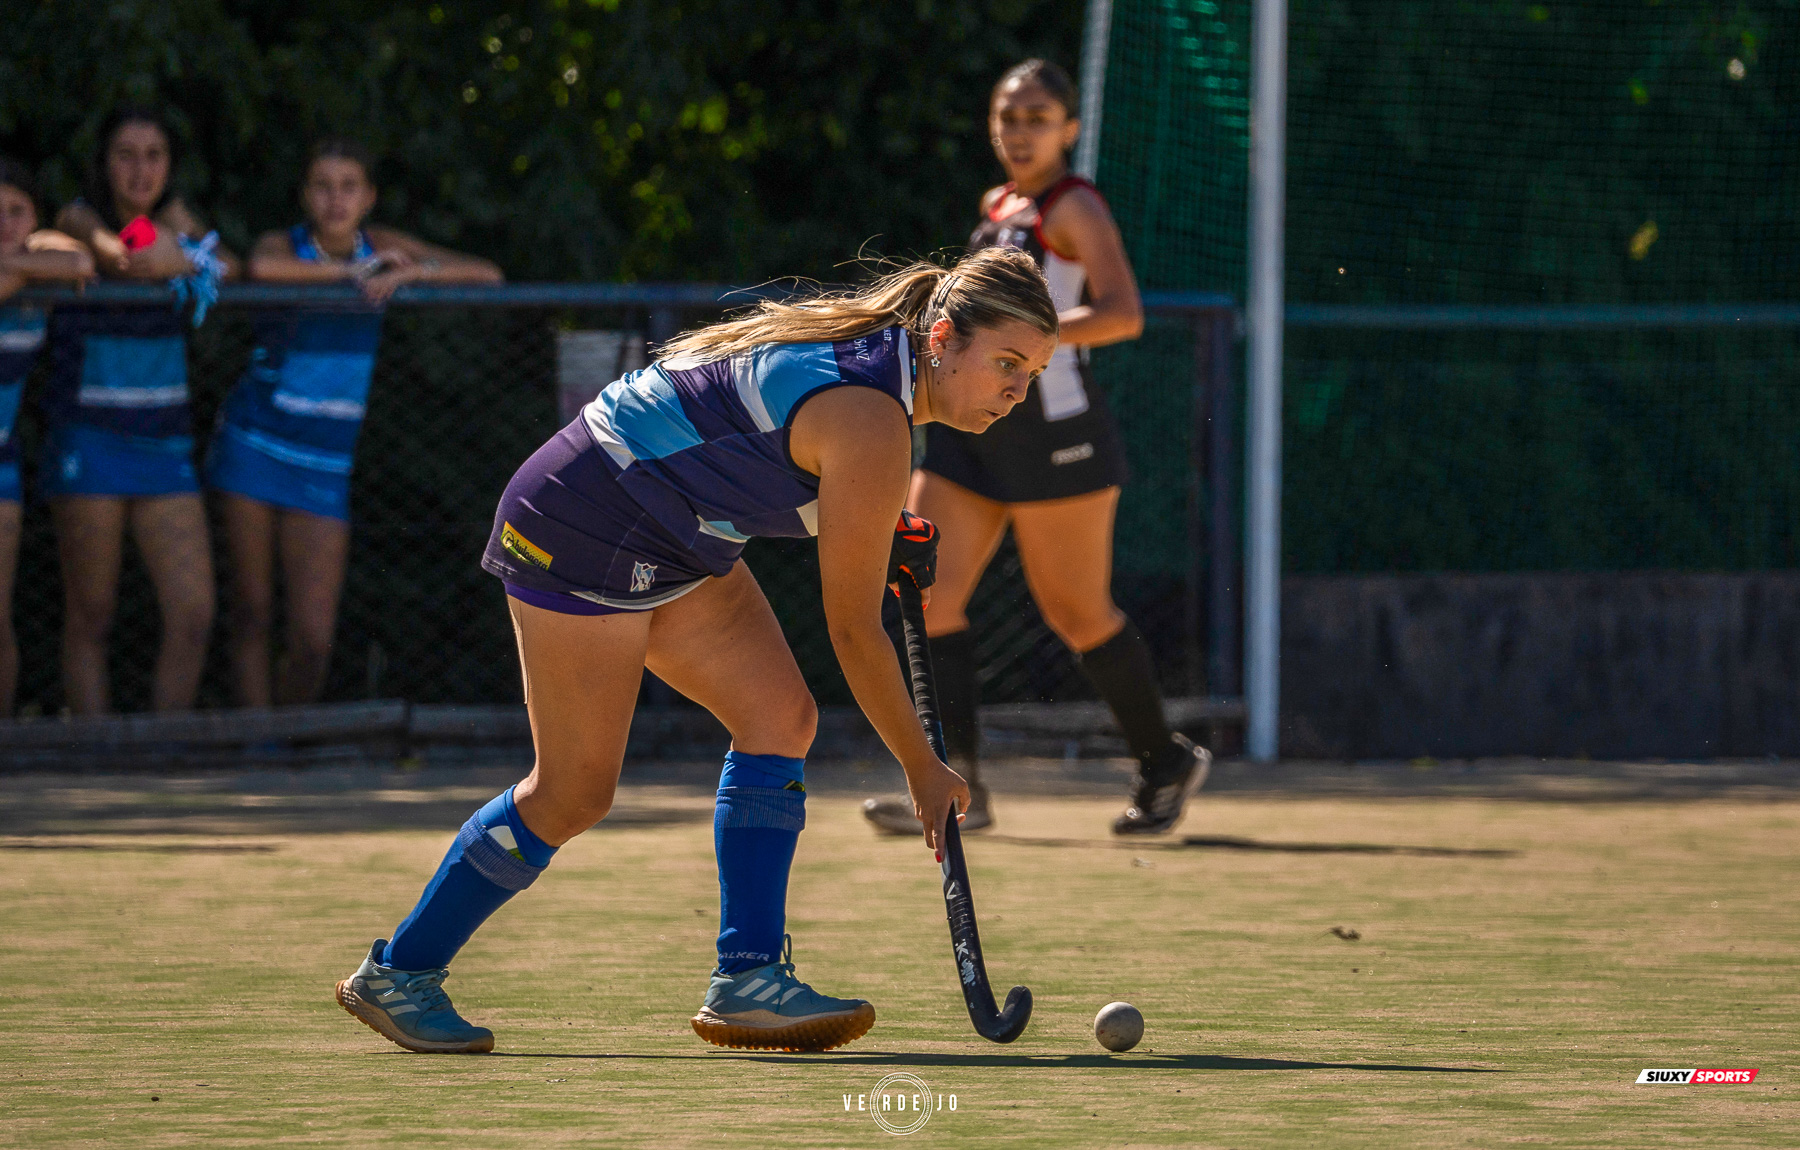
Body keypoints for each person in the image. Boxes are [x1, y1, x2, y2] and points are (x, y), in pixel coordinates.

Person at [333, 248, 1059, 1055]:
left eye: (1031, 374)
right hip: (587, 516)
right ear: (945, 339)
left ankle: (748, 982)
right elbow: (853, 631)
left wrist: (883, 532)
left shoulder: (882, 374)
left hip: (671, 526)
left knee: (779, 717)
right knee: (573, 791)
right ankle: (401, 972)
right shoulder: (874, 417)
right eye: (1005, 363)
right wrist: (922, 768)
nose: (1017, 392)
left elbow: (766, 463)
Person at [861, 59, 1210, 839]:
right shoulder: (997, 205)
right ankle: (960, 787)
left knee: (1077, 611)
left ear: (1070, 128)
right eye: (1008, 117)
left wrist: (1030, 344)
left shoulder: (1073, 206)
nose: (1020, 132)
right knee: (922, 593)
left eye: (1038, 116)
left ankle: (1163, 759)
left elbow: (1123, 314)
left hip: (1057, 435)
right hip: (969, 425)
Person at [208, 138, 502, 707]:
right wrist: (356, 273)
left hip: (326, 464)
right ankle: (257, 750)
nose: (335, 199)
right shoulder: (284, 244)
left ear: (368, 197)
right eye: (322, 185)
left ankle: (290, 740)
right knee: (251, 612)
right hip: (254, 445)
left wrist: (408, 272)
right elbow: (261, 268)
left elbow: (486, 274)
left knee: (312, 636)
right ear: (304, 195)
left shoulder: (383, 246)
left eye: (348, 186)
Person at [50, 107, 239, 713]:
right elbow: (129, 256)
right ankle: (94, 760)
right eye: (125, 154)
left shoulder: (175, 221)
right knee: (91, 614)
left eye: (154, 154)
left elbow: (226, 267)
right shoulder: (77, 217)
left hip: (165, 448)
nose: (140, 168)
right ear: (104, 164)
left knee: (194, 612)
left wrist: (184, 246)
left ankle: (164, 755)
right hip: (91, 442)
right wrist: (181, 249)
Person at [0, 158, 95, 713]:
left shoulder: (37, 263)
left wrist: (22, 264)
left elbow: (79, 257)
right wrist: (23, 267)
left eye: (17, 212)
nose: (5, 222)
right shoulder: (29, 271)